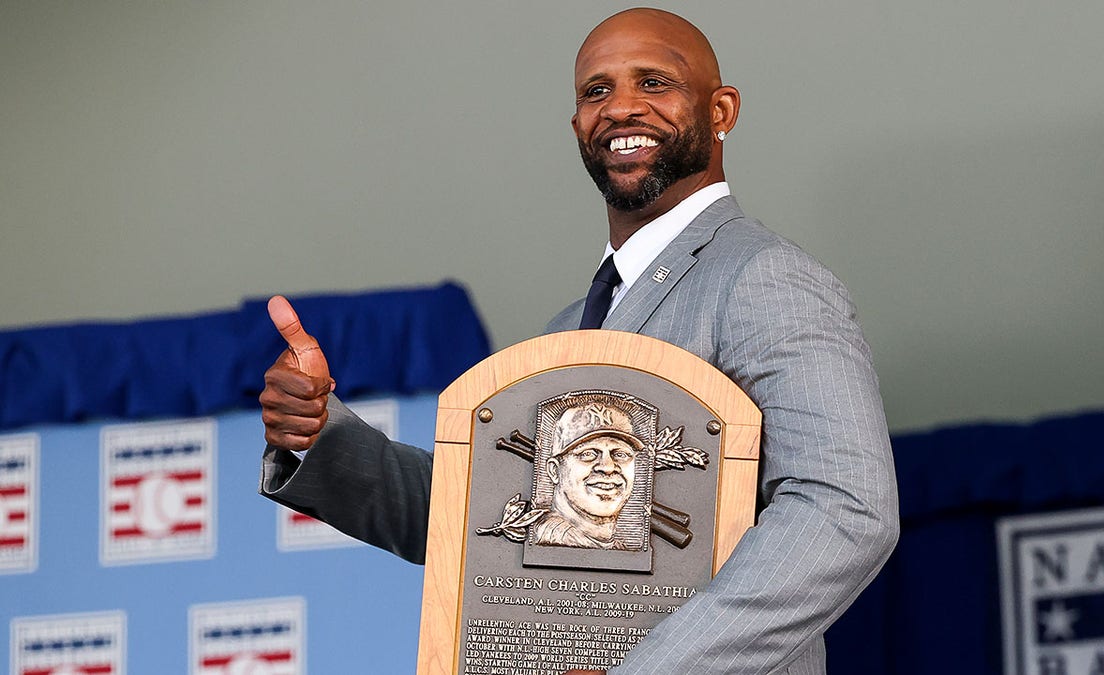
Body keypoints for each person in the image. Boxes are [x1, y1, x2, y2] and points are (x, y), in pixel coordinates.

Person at [259, 8, 899, 674]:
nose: (621, 107)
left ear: (721, 111)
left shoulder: (764, 277)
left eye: (654, 83)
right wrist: (316, 433)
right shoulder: (570, 330)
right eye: (597, 91)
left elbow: (847, 508)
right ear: (576, 127)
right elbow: (479, 526)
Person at [529, 402, 646, 550]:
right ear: (554, 471)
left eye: (620, 454)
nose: (608, 467)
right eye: (588, 454)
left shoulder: (617, 550)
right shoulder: (549, 539)